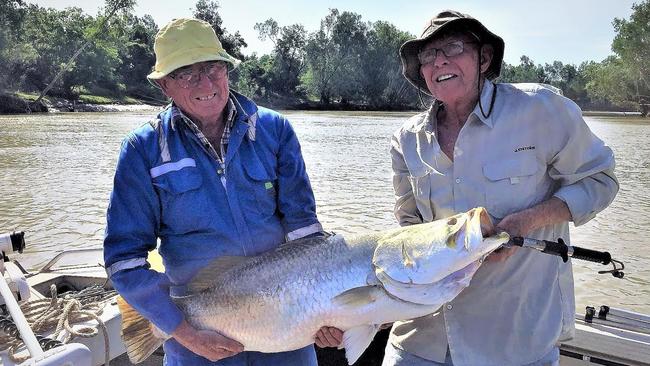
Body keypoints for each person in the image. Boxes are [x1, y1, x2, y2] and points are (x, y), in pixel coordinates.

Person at [383, 10, 619, 366]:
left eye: (453, 47)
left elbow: (601, 180)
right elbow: (407, 229)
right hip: (419, 342)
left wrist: (527, 221)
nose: (439, 61)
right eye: (428, 55)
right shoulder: (406, 140)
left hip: (516, 344)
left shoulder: (540, 109)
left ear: (485, 57)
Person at [103, 18, 333, 366]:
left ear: (227, 70)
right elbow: (124, 260)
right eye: (186, 73)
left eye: (213, 67)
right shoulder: (142, 149)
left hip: (289, 326)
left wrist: (328, 308)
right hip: (196, 340)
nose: (205, 82)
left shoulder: (275, 130)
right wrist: (184, 332)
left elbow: (305, 233)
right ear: (165, 85)